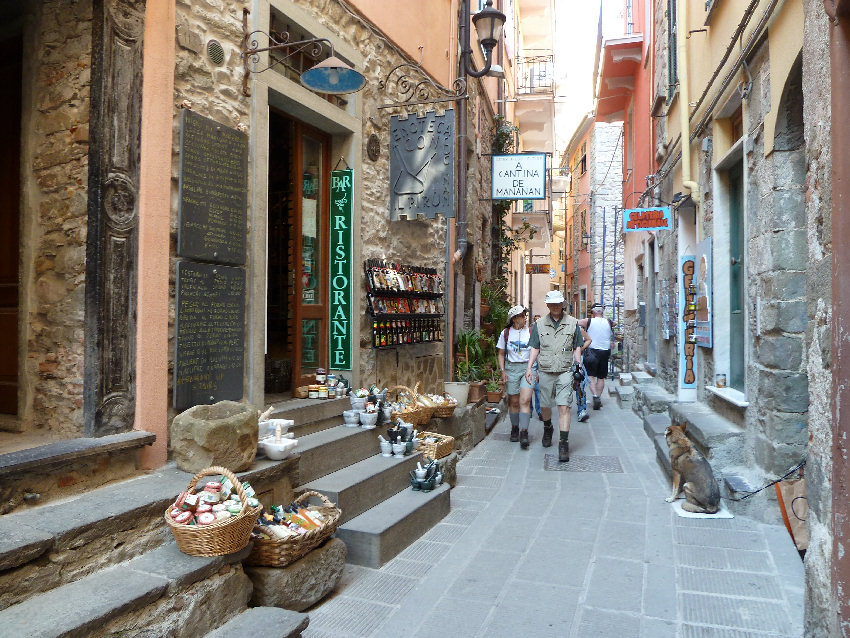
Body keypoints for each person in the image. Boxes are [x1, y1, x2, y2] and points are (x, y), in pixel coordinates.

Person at [526, 291, 591, 462]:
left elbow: (577, 345)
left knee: (564, 407)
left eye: (558, 303)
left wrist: (578, 363)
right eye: (552, 304)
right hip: (546, 370)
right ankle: (548, 427)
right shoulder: (539, 324)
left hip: (565, 370)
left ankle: (563, 442)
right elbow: (535, 347)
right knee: (546, 407)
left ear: (563, 304)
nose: (555, 307)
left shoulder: (572, 323)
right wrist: (529, 368)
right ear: (547, 305)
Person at [496, 306, 537, 448]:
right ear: (514, 318)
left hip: (528, 367)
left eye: (526, 315)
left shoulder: (531, 331)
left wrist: (532, 368)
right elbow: (501, 353)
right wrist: (503, 371)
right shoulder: (506, 333)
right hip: (511, 368)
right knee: (513, 402)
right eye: (522, 315)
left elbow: (536, 350)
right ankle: (515, 427)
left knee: (525, 400)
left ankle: (524, 432)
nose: (525, 318)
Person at [578, 303, 615, 409]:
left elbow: (575, 322)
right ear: (602, 311)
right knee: (601, 377)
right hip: (605, 351)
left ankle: (594, 395)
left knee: (590, 375)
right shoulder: (609, 322)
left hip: (591, 350)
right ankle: (598, 398)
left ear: (593, 312)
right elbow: (615, 323)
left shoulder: (588, 321)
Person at [531, 314, 542, 421]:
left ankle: (540, 411)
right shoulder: (530, 331)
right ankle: (529, 410)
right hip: (527, 365)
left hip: (536, 366)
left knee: (538, 389)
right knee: (529, 390)